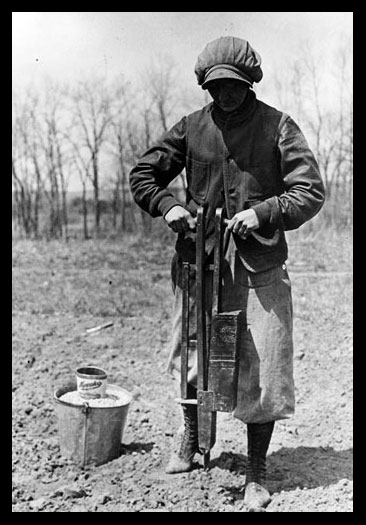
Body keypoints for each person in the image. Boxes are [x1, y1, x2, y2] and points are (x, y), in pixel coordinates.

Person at [129, 36, 325, 511]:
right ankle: (193, 443)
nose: (226, 95)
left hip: (259, 267)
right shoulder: (191, 127)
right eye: (216, 86)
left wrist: (265, 213)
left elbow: (310, 190)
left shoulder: (278, 126)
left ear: (250, 82)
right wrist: (168, 205)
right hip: (201, 263)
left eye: (234, 86)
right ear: (205, 85)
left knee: (265, 364)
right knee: (192, 357)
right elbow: (143, 175)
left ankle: (256, 471)